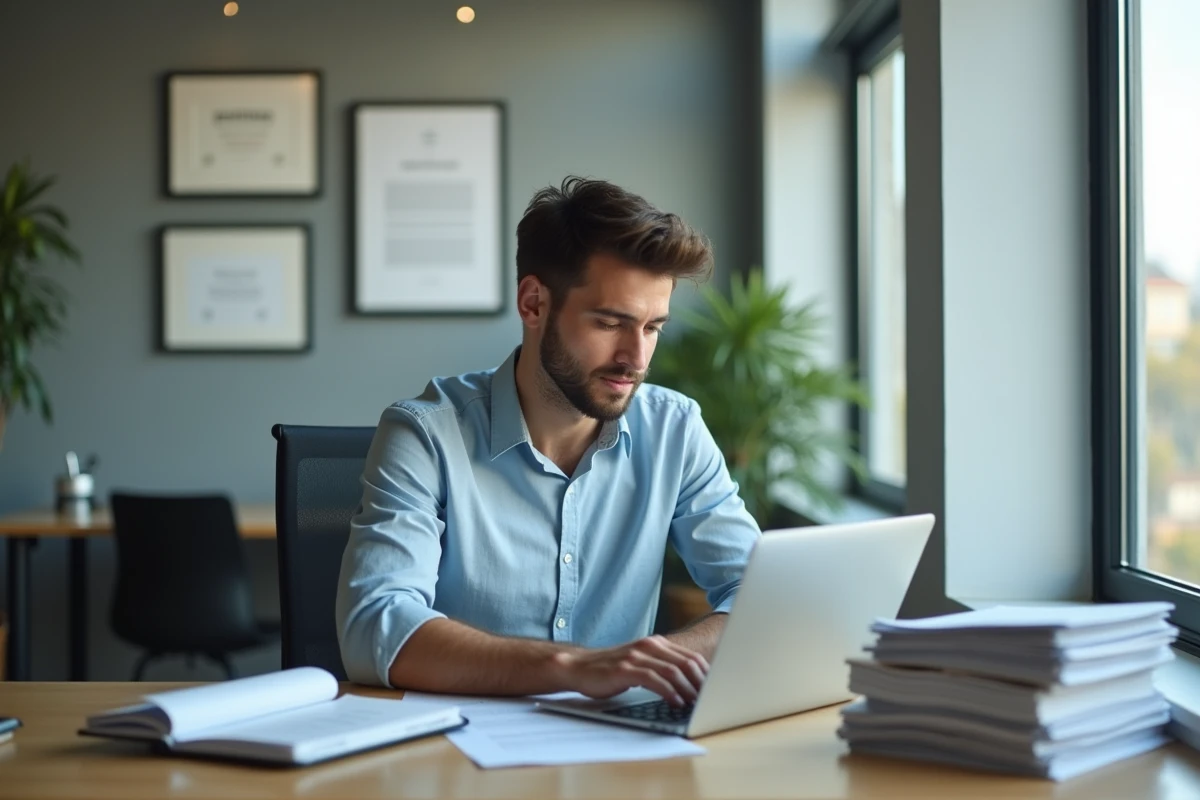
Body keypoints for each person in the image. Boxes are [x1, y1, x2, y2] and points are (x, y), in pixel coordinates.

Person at [336, 177, 761, 707]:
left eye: (653, 328)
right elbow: (375, 626)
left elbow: (761, 597)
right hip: (461, 758)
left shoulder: (675, 429)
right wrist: (574, 668)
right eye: (611, 322)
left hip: (622, 756)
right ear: (534, 303)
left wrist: (658, 659)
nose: (637, 357)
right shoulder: (424, 435)